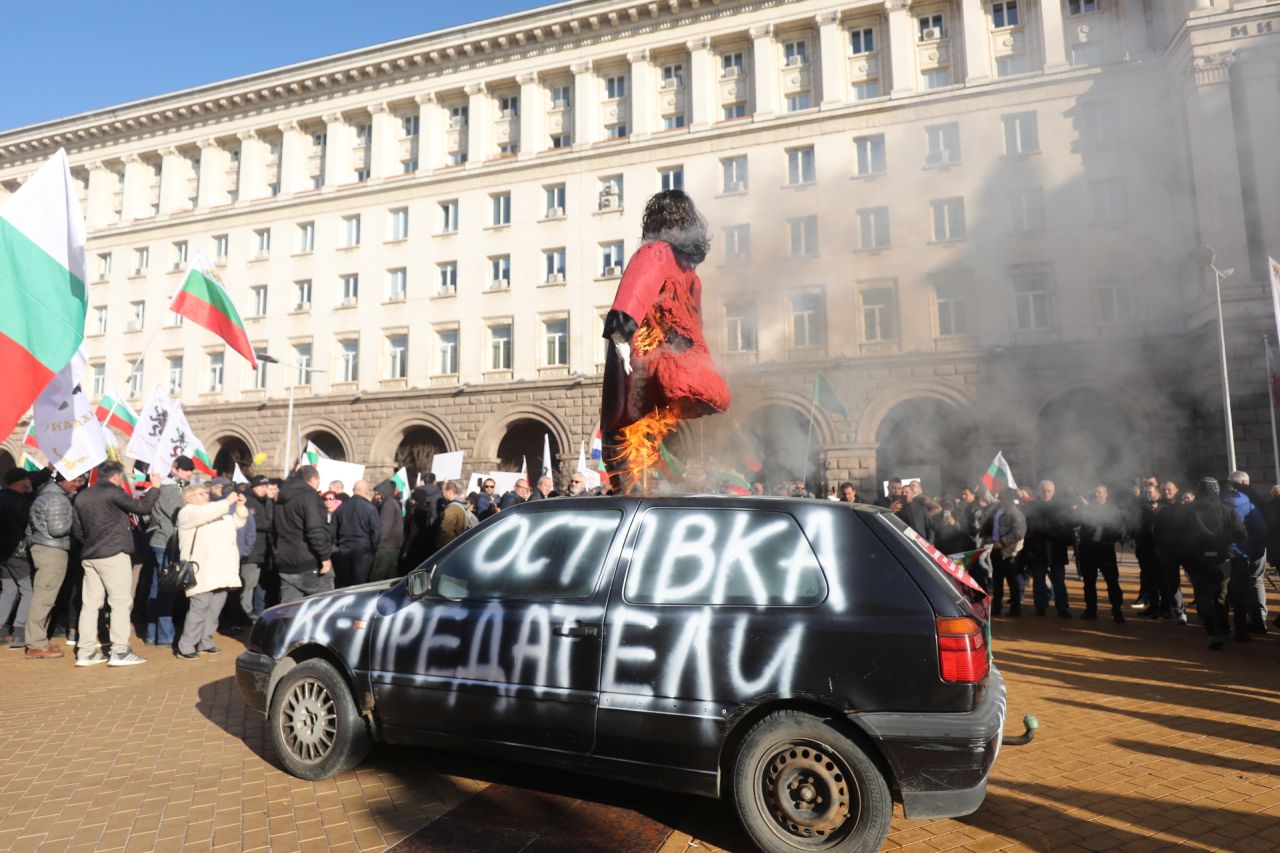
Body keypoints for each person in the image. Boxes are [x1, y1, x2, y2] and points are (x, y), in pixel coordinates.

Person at [600, 190, 731, 491]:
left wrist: (620, 336)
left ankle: (631, 493)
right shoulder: (691, 274)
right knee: (646, 432)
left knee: (624, 428)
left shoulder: (655, 252)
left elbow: (635, 289)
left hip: (648, 360)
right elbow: (695, 324)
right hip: (680, 364)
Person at [71, 461, 163, 667]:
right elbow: (142, 507)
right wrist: (155, 487)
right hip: (113, 553)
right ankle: (120, 651)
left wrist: (91, 544)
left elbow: (77, 529)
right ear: (116, 477)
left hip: (90, 555)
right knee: (120, 602)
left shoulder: (82, 495)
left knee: (90, 604)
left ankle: (85, 652)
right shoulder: (113, 492)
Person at [174, 484, 247, 659]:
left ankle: (205, 641)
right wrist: (227, 501)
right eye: (202, 493)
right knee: (199, 608)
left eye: (207, 493)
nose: (206, 496)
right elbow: (207, 514)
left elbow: (236, 521)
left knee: (214, 609)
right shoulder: (187, 512)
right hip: (202, 569)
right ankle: (186, 645)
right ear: (189, 497)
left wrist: (240, 506)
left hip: (221, 569)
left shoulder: (213, 511)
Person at [23, 472, 83, 659]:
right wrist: (75, 517)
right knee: (45, 597)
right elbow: (58, 529)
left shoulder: (44, 495)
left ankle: (39, 640)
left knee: (44, 595)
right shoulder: (58, 499)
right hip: (52, 550)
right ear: (64, 480)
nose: (78, 484)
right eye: (75, 480)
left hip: (43, 547)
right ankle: (36, 644)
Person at [1186, 477, 1246, 649]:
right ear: (1217, 491)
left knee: (1203, 596)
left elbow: (1180, 535)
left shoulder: (1188, 512)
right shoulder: (1227, 510)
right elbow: (1242, 534)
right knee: (1221, 595)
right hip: (1222, 559)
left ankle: (1214, 631)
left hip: (1197, 559)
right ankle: (1223, 627)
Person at [144, 455, 195, 647]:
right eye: (185, 469)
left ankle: (151, 634)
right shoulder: (170, 489)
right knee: (167, 589)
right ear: (174, 469)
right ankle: (165, 635)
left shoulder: (165, 488)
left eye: (190, 470)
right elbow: (180, 514)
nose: (188, 473)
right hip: (167, 543)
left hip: (161, 541)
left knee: (157, 587)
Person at [271, 465, 333, 603]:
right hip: (309, 562)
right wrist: (325, 557)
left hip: (286, 562)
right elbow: (315, 529)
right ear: (313, 479)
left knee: (290, 612)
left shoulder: (280, 498)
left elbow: (274, 529)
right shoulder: (309, 496)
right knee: (323, 608)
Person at [1222, 473, 1268, 640]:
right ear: (1243, 483)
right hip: (1246, 552)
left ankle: (1222, 627)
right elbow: (1262, 529)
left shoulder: (1218, 501)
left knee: (1222, 591)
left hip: (1222, 553)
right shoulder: (1251, 501)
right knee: (1249, 586)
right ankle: (1247, 626)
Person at [1022, 480, 1072, 618]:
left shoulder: (1062, 507)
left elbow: (1067, 527)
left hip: (1056, 550)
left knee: (1059, 580)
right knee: (1038, 580)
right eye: (1043, 490)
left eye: (1049, 491)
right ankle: (1040, 606)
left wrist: (1051, 532)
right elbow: (1027, 527)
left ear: (1054, 492)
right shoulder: (1031, 507)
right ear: (1039, 491)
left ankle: (1062, 608)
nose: (1046, 493)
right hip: (1037, 550)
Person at [1077, 484, 1126, 623]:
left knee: (1112, 582)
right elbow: (1081, 522)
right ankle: (1090, 610)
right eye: (1096, 493)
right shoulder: (1086, 508)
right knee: (1089, 583)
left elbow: (1118, 529)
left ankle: (1117, 609)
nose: (1098, 495)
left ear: (1106, 494)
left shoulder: (1113, 510)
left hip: (1105, 550)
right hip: (1088, 551)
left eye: (1100, 492)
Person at [0, 469, 35, 648]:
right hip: (18, 552)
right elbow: (28, 526)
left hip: (3, 555)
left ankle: (1, 631)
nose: (29, 481)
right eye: (27, 478)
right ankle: (20, 633)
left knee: (9, 589)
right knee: (28, 589)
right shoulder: (20, 502)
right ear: (20, 481)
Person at [980, 489, 1027, 617]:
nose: (1002, 501)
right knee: (997, 581)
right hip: (997, 549)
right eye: (1002, 499)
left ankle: (1015, 608)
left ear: (1011, 500)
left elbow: (1019, 533)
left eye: (1005, 499)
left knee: (1012, 581)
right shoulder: (998, 509)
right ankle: (996, 607)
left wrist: (1003, 542)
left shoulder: (1016, 513)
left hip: (1009, 552)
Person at [1152, 480, 1188, 624]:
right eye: (1164, 490)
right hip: (1167, 550)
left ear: (1176, 490)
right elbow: (1155, 530)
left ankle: (1203, 611)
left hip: (1185, 548)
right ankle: (1180, 611)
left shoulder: (1184, 507)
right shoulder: (1157, 506)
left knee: (1195, 579)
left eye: (1169, 489)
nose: (1167, 492)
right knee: (1172, 582)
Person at [332, 480, 380, 588]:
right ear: (366, 491)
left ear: (354, 491)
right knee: (360, 586)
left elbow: (333, 533)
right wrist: (374, 550)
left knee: (344, 584)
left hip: (344, 550)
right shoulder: (370, 509)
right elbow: (376, 534)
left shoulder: (340, 508)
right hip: (364, 552)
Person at [237, 475, 272, 624]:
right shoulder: (248, 500)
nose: (264, 490)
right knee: (248, 583)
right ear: (254, 487)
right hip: (251, 551)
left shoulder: (264, 501)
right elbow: (253, 522)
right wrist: (271, 526)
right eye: (262, 487)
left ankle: (257, 609)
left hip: (262, 550)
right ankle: (245, 612)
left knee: (258, 582)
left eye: (266, 487)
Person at [401, 475, 442, 573]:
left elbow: (412, 532)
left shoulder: (418, 508)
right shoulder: (439, 493)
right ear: (434, 481)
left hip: (415, 543)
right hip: (430, 536)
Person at [370, 479, 404, 582]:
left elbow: (384, 528)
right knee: (391, 577)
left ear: (384, 493)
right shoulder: (392, 503)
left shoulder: (388, 505)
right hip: (392, 546)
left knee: (377, 578)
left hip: (386, 547)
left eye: (378, 494)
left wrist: (376, 544)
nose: (376, 497)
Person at [436, 480, 477, 549]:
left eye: (443, 492)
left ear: (449, 492)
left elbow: (446, 532)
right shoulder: (463, 505)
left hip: (451, 548)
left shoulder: (452, 509)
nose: (442, 494)